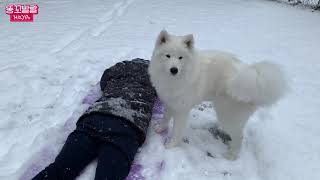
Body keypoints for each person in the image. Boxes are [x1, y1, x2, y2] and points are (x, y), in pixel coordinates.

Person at [33, 58, 157, 180]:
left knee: (61, 168)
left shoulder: (122, 66)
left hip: (94, 118)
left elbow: (104, 80)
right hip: (127, 125)